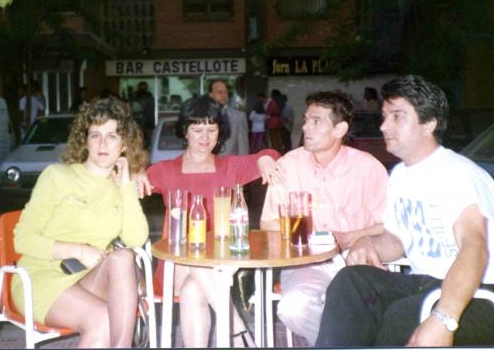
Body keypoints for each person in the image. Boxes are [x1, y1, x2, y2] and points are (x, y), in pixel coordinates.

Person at [316, 75, 494, 347]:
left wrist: (444, 319)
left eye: (397, 117)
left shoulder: (460, 175)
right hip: (424, 284)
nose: (384, 126)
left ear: (428, 124)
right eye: (385, 117)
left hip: (476, 298)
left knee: (398, 315)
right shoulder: (400, 175)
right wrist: (367, 242)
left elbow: (474, 248)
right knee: (351, 282)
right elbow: (397, 241)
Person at [11, 97, 150, 348]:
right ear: (85, 140)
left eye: (112, 136)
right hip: (41, 277)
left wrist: (127, 186)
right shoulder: (57, 176)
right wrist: (77, 250)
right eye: (95, 135)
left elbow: (136, 239)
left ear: (124, 145)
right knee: (101, 319)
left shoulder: (120, 188)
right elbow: (23, 239)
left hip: (88, 277)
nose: (102, 143)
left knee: (123, 257)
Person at [146, 95, 281, 347]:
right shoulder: (165, 171)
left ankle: (236, 334)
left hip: (222, 265)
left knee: (193, 290)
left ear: (220, 133)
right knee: (193, 256)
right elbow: (132, 182)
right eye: (197, 130)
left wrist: (264, 157)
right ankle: (238, 331)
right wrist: (132, 175)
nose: (205, 137)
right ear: (184, 132)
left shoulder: (230, 167)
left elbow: (271, 154)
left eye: (212, 129)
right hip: (177, 266)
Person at [259, 91, 388, 346]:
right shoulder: (289, 165)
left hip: (356, 258)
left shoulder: (367, 167)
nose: (306, 127)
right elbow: (269, 223)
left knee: (374, 311)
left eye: (316, 121)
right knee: (293, 308)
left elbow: (390, 224)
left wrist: (350, 237)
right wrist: (304, 241)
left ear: (340, 129)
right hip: (307, 262)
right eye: (306, 120)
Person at [208, 79, 249, 155]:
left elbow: (243, 146)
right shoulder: (202, 116)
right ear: (211, 95)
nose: (224, 95)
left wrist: (244, 161)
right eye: (219, 92)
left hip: (230, 160)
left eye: (226, 92)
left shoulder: (239, 116)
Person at [266, 89, 286, 154]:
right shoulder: (281, 102)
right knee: (279, 136)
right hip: (279, 119)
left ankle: (275, 151)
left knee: (273, 137)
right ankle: (280, 150)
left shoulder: (272, 102)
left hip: (272, 120)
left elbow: (268, 112)